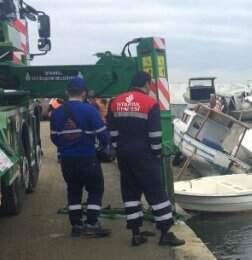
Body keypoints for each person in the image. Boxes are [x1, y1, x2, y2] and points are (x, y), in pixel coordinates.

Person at [107, 72, 185, 247]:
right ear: (147, 84)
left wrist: (118, 148)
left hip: (124, 156)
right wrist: (157, 153)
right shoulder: (150, 103)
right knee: (157, 195)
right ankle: (165, 233)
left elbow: (111, 132)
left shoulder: (115, 102)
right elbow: (155, 135)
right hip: (145, 156)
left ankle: (136, 233)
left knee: (130, 194)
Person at [50, 77, 111, 238]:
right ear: (84, 93)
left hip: (67, 160)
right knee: (96, 189)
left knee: (74, 191)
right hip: (87, 158)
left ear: (66, 92)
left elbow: (54, 138)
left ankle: (76, 226)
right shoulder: (90, 110)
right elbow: (102, 135)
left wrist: (65, 147)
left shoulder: (56, 113)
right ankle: (91, 224)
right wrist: (105, 146)